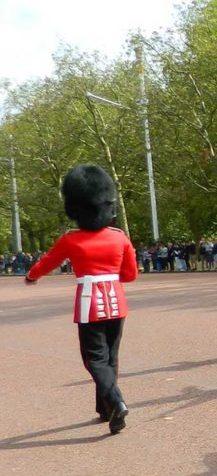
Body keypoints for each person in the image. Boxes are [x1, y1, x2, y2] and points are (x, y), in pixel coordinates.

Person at [25, 164, 137, 435]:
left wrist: (31, 276)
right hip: (117, 301)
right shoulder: (119, 237)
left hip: (90, 304)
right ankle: (105, 409)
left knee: (94, 360)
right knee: (111, 358)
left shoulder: (71, 240)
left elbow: (47, 262)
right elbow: (130, 275)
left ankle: (117, 400)